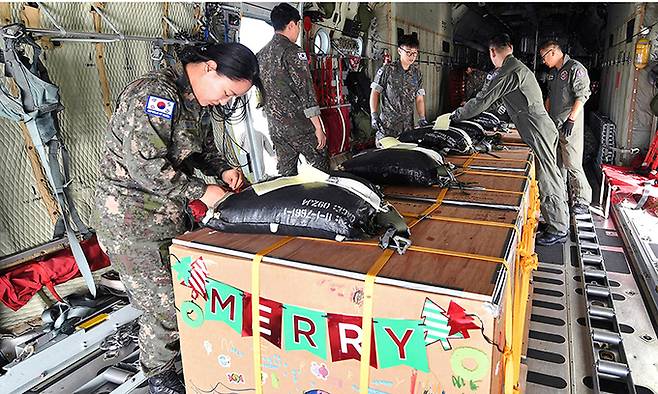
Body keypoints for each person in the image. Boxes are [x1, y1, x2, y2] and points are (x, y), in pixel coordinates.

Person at [93, 42, 262, 394]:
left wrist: (224, 169)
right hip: (131, 221)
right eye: (228, 92)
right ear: (209, 68)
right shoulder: (156, 94)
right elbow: (146, 166)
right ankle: (159, 377)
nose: (226, 101)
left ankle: (187, 361)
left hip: (169, 216)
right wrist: (202, 191)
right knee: (166, 307)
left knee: (188, 294)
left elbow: (201, 148)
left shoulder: (195, 100)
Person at [451, 34, 570, 246]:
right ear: (511, 47)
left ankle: (559, 227)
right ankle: (555, 220)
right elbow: (503, 102)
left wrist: (455, 116)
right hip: (539, 127)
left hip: (537, 129)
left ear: (492, 52)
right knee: (549, 172)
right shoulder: (516, 67)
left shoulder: (508, 71)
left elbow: (484, 99)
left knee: (548, 175)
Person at [258, 2, 328, 176]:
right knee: (321, 169)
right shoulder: (294, 52)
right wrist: (319, 128)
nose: (298, 31)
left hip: (276, 128)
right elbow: (307, 92)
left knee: (287, 175)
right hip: (300, 126)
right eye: (298, 26)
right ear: (291, 25)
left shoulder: (261, 55)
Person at [540, 40, 592, 214]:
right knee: (557, 163)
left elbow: (582, 95)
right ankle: (560, 195)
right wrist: (546, 119)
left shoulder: (575, 69)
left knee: (572, 162)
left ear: (553, 52)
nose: (543, 61)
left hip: (570, 124)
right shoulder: (552, 73)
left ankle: (583, 200)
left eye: (544, 57)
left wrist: (571, 120)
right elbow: (549, 97)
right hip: (555, 123)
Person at [370, 34, 427, 141]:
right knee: (386, 156)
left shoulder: (416, 73)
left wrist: (422, 117)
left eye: (415, 53)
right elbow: (375, 92)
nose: (412, 56)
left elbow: (419, 99)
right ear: (399, 51)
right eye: (408, 52)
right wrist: (374, 114)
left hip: (407, 128)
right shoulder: (387, 70)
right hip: (387, 127)